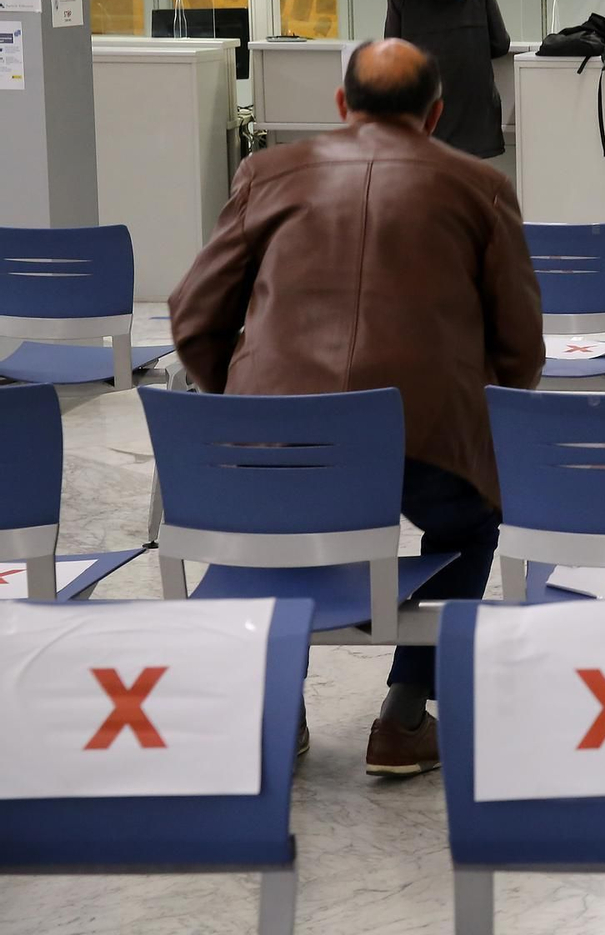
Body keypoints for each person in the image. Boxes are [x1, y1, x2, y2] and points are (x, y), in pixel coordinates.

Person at [168, 39, 544, 777]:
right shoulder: (481, 187)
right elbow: (521, 345)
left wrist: (244, 412)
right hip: (426, 435)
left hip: (283, 437)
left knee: (287, 520)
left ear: (341, 106)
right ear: (435, 115)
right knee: (470, 522)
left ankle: (283, 709)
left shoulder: (266, 173)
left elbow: (193, 317)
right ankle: (405, 713)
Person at [384, 0, 512, 160]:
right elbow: (500, 43)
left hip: (424, 110)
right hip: (474, 114)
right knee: (468, 189)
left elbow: (393, 53)